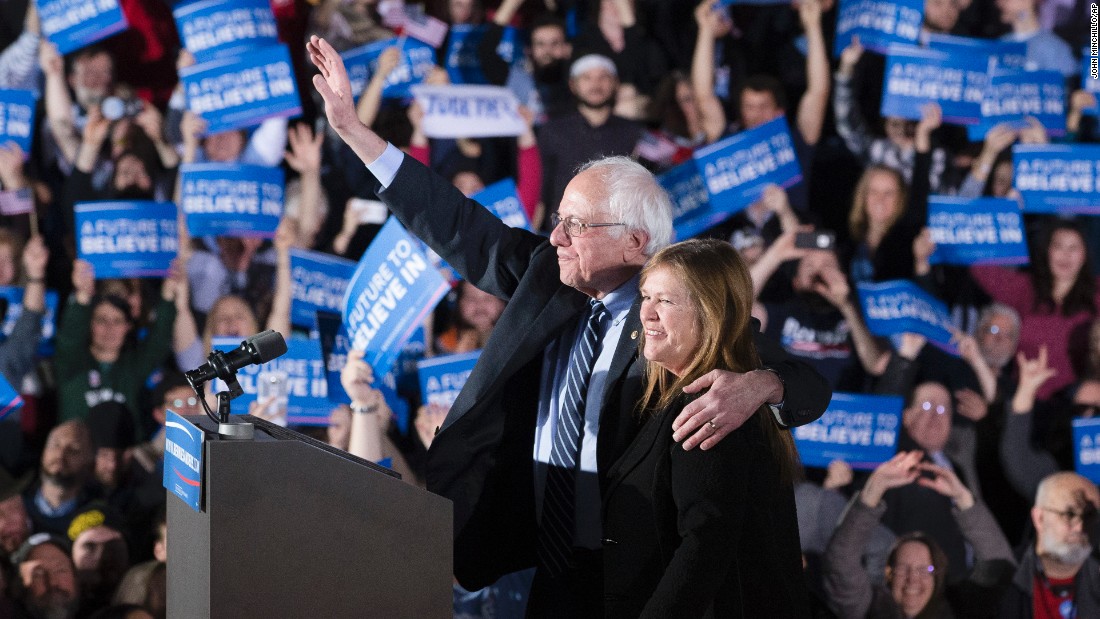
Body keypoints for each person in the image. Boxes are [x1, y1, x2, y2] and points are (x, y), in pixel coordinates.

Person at [308, 34, 831, 615]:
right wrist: (355, 132)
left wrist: (763, 384)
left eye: (575, 225)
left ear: (635, 241)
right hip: (546, 568)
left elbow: (809, 383)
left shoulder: (678, 320)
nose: (555, 237)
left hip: (634, 580)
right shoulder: (547, 276)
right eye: (557, 221)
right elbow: (456, 223)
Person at [602, 238, 808, 617]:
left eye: (665, 301)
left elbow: (704, 547)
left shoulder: (714, 406)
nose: (646, 313)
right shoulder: (685, 397)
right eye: (645, 297)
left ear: (710, 313)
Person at [824, 450, 1015, 618]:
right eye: (902, 569)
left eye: (925, 570)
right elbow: (841, 561)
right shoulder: (868, 608)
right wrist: (874, 489)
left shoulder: (961, 610)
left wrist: (963, 499)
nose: (912, 580)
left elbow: (1000, 569)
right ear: (888, 573)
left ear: (938, 577)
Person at [998, 472, 1100, 616]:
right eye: (1069, 515)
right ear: (1039, 518)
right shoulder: (1004, 579)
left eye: (1089, 516)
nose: (1079, 527)